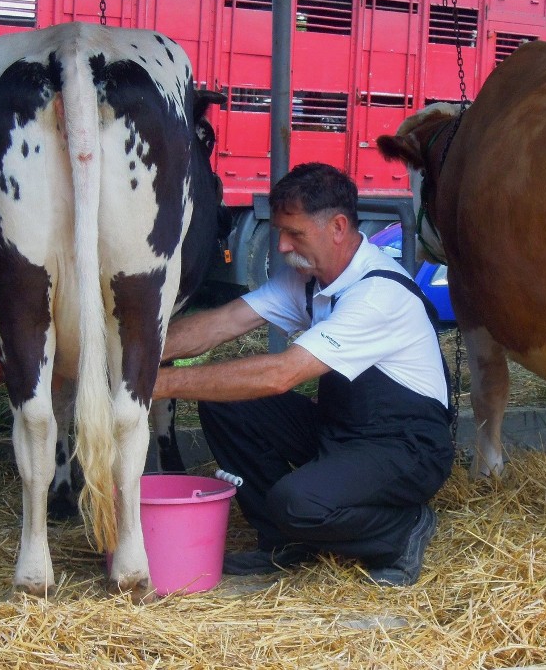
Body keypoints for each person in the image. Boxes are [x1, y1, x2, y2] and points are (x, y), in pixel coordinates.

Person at [153, 162, 454, 585]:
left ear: (337, 226)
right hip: (342, 431)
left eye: (294, 233)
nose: (281, 245)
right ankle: (283, 541)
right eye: (280, 231)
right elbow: (224, 323)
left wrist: (156, 384)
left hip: (406, 448)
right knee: (228, 407)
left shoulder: (376, 294)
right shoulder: (309, 278)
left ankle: (401, 532)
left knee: (297, 503)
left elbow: (281, 374)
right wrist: (135, 358)